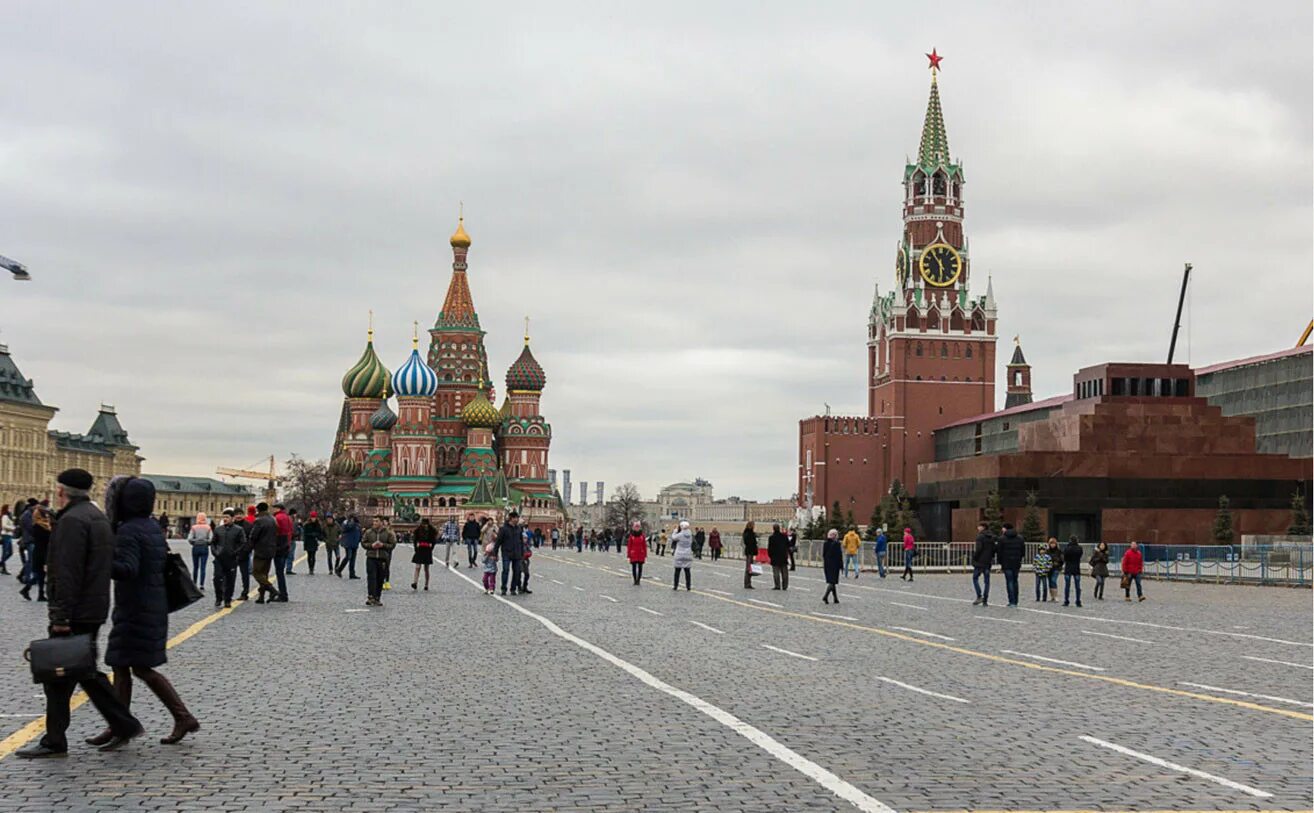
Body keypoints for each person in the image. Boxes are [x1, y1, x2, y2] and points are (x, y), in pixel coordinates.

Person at [16, 469, 143, 758]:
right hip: (93, 606)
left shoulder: (72, 521)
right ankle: (58, 738)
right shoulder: (96, 517)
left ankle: (121, 724)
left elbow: (67, 571)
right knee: (67, 675)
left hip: (75, 610)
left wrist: (59, 617)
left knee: (77, 672)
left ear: (62, 492)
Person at [85, 476, 199, 749]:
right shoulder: (149, 527)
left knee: (139, 667)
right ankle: (120, 725)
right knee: (124, 665)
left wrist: (100, 560)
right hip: (147, 605)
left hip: (137, 607)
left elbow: (128, 569)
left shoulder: (128, 531)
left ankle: (180, 717)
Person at [211, 509, 244, 608]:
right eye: (224, 517)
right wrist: (215, 552)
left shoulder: (238, 530)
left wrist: (235, 552)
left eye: (227, 517)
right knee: (217, 578)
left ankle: (227, 599)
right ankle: (218, 597)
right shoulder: (218, 529)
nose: (225, 519)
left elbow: (242, 543)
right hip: (219, 558)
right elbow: (213, 542)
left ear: (232, 518)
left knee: (230, 580)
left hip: (231, 559)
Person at [22, 501, 53, 601]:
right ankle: (28, 589)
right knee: (40, 573)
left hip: (41, 550)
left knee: (41, 573)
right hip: (41, 551)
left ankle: (39, 593)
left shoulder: (41, 525)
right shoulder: (39, 526)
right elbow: (46, 538)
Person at [362, 516, 396, 606]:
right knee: (371, 577)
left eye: (377, 521)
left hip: (382, 558)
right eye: (374, 521)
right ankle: (370, 596)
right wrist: (371, 545)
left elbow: (392, 544)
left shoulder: (388, 533)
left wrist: (383, 545)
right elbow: (363, 543)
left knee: (380, 578)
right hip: (371, 557)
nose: (375, 523)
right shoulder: (368, 532)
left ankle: (377, 597)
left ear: (381, 522)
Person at [249, 503, 279, 604]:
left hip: (261, 550)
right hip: (271, 549)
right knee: (264, 574)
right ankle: (261, 597)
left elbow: (253, 536)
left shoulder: (259, 521)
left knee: (256, 572)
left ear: (258, 510)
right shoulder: (273, 519)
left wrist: (250, 546)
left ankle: (272, 589)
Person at [494, 511, 526, 596]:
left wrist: (522, 553)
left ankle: (513, 589)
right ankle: (504, 588)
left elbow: (521, 541)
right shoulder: (504, 529)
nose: (517, 519)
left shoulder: (519, 528)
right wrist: (495, 553)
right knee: (506, 570)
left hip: (517, 554)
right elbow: (498, 542)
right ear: (511, 518)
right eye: (516, 518)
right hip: (506, 553)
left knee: (516, 572)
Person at [996, 523, 1024, 608]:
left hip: (1006, 563)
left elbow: (999, 552)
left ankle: (1011, 601)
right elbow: (1023, 552)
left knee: (1009, 581)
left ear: (1005, 529)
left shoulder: (1002, 539)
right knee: (1015, 581)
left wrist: (1000, 563)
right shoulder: (1020, 538)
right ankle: (1015, 601)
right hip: (1016, 563)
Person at [272, 503, 292, 600]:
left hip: (279, 546)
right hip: (287, 545)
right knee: (281, 571)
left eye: (274, 508)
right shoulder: (288, 517)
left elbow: (275, 531)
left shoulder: (277, 518)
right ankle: (283, 593)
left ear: (278, 509)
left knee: (279, 572)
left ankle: (283, 594)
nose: (273, 510)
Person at [234, 505, 256, 598]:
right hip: (232, 554)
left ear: (243, 515)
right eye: (236, 514)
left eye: (240, 514)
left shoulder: (248, 525)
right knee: (230, 574)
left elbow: (251, 540)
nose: (238, 516)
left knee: (245, 574)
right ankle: (227, 592)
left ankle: (245, 592)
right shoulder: (231, 525)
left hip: (244, 553)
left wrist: (247, 550)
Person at [971, 522, 995, 606]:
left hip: (980, 562)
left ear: (983, 527)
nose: (978, 528)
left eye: (979, 526)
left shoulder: (980, 537)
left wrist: (974, 558)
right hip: (988, 562)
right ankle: (985, 599)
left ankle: (979, 595)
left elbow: (978, 549)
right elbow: (993, 550)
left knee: (975, 578)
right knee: (987, 581)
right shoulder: (992, 537)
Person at [412, 517, 436, 590]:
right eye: (423, 524)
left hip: (427, 549)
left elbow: (434, 541)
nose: (425, 525)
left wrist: (431, 548)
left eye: (426, 524)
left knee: (426, 568)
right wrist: (415, 548)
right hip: (420, 549)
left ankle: (426, 584)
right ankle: (415, 582)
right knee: (417, 567)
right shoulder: (418, 530)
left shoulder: (431, 530)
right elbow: (415, 540)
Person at [670, 521, 694, 591]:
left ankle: (675, 585)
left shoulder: (680, 535)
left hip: (679, 554)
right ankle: (688, 586)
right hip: (688, 554)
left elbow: (673, 537)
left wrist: (675, 531)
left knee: (677, 571)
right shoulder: (690, 535)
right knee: (687, 571)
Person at [337, 514, 362, 578]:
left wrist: (359, 539)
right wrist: (352, 522)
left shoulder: (357, 524)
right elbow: (345, 529)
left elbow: (360, 532)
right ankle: (339, 569)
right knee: (348, 557)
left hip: (354, 543)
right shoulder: (346, 523)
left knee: (353, 559)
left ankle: (352, 573)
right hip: (348, 543)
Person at [1062, 536, 1083, 607]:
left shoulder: (1067, 548)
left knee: (1067, 586)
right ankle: (1078, 601)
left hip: (1068, 568)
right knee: (1077, 586)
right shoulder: (1079, 548)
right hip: (1076, 568)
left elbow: (1064, 557)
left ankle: (1066, 601)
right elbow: (1080, 556)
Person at [822, 529, 842, 604]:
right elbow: (839, 555)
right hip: (835, 565)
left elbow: (824, 554)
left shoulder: (825, 543)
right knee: (832, 581)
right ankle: (825, 596)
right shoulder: (837, 544)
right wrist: (841, 565)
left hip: (827, 564)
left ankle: (835, 598)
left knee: (832, 582)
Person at [767, 523, 790, 591]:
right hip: (783, 556)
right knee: (784, 572)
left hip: (775, 557)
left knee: (776, 572)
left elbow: (770, 548)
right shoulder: (784, 536)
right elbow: (788, 544)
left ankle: (777, 585)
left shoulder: (771, 537)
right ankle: (785, 585)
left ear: (773, 529)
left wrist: (770, 555)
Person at [626, 520, 647, 585]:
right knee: (634, 567)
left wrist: (645, 553)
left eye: (638, 527)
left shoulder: (642, 536)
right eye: (636, 527)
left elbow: (644, 545)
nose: (637, 528)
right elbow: (629, 545)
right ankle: (635, 580)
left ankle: (638, 580)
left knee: (640, 567)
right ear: (633, 528)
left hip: (640, 553)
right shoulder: (631, 536)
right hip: (634, 553)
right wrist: (629, 554)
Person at [741, 521, 758, 589]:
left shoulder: (747, 533)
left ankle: (748, 583)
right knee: (748, 568)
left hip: (750, 551)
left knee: (750, 568)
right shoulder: (749, 533)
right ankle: (747, 583)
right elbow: (750, 542)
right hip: (750, 552)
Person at [1044, 537, 1062, 601]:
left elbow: (1062, 559)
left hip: (1056, 568)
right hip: (1049, 569)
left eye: (1053, 543)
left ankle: (1056, 595)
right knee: (1050, 582)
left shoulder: (1059, 551)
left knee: (1053, 580)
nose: (1052, 545)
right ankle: (1052, 596)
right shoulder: (1047, 551)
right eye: (1051, 543)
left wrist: (1058, 563)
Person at [1, 503, 14, 575]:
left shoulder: (9, 516)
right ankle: (3, 568)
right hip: (5, 535)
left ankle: (1, 563)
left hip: (9, 535)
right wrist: (13, 528)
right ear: (6, 509)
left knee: (10, 552)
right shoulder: (5, 516)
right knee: (5, 552)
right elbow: (4, 526)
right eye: (9, 508)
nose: (10, 509)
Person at [285, 508, 300, 575]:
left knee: (289, 554)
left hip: (289, 539)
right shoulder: (292, 520)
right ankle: (288, 569)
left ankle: (288, 568)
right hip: (291, 539)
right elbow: (293, 530)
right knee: (290, 555)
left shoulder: (290, 520)